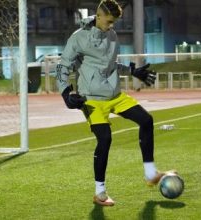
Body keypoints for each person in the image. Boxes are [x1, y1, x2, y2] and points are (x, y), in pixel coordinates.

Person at [56, 0, 168, 206]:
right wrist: (66, 94)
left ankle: (151, 173)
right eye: (108, 21)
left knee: (146, 120)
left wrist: (132, 71)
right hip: (91, 99)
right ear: (98, 16)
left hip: (115, 95)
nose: (111, 26)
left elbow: (109, 65)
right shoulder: (78, 38)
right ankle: (100, 193)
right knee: (105, 139)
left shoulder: (112, 35)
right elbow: (63, 67)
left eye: (113, 23)